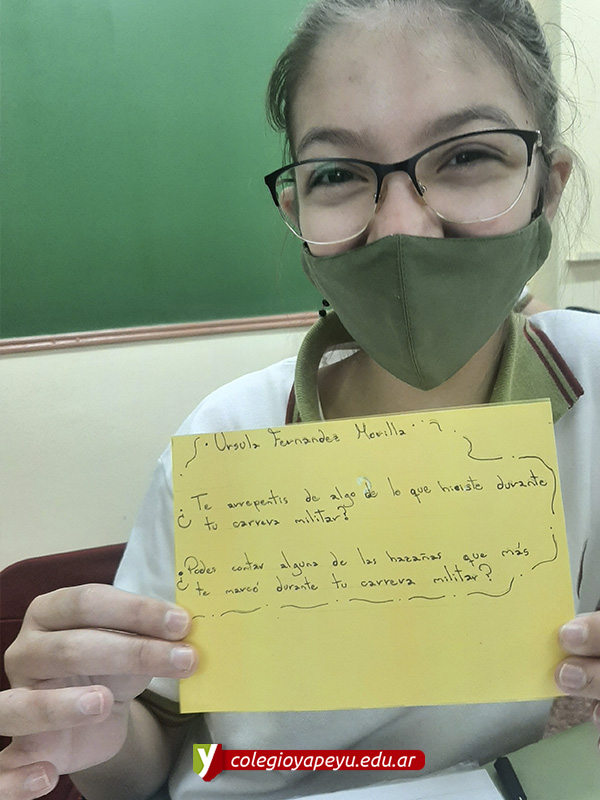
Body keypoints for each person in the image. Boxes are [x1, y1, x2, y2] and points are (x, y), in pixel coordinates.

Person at [2, 1, 600, 798]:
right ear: (296, 213)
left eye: (466, 156)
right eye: (338, 174)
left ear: (546, 189)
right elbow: (173, 762)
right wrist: (99, 731)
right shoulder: (227, 441)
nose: (402, 229)